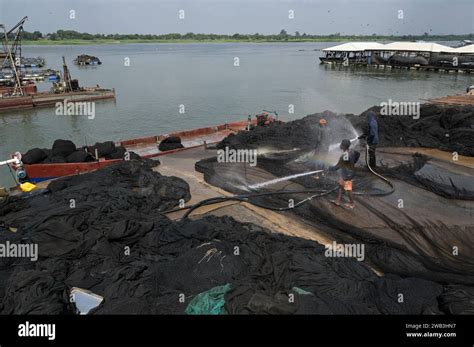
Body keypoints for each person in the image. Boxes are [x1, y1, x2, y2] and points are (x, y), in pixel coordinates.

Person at [328, 139, 357, 209]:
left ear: (344, 146)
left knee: (348, 188)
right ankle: (337, 201)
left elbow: (338, 166)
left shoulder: (345, 155)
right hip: (348, 172)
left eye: (341, 144)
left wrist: (329, 168)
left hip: (348, 175)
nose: (340, 145)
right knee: (340, 185)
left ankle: (352, 203)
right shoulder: (351, 151)